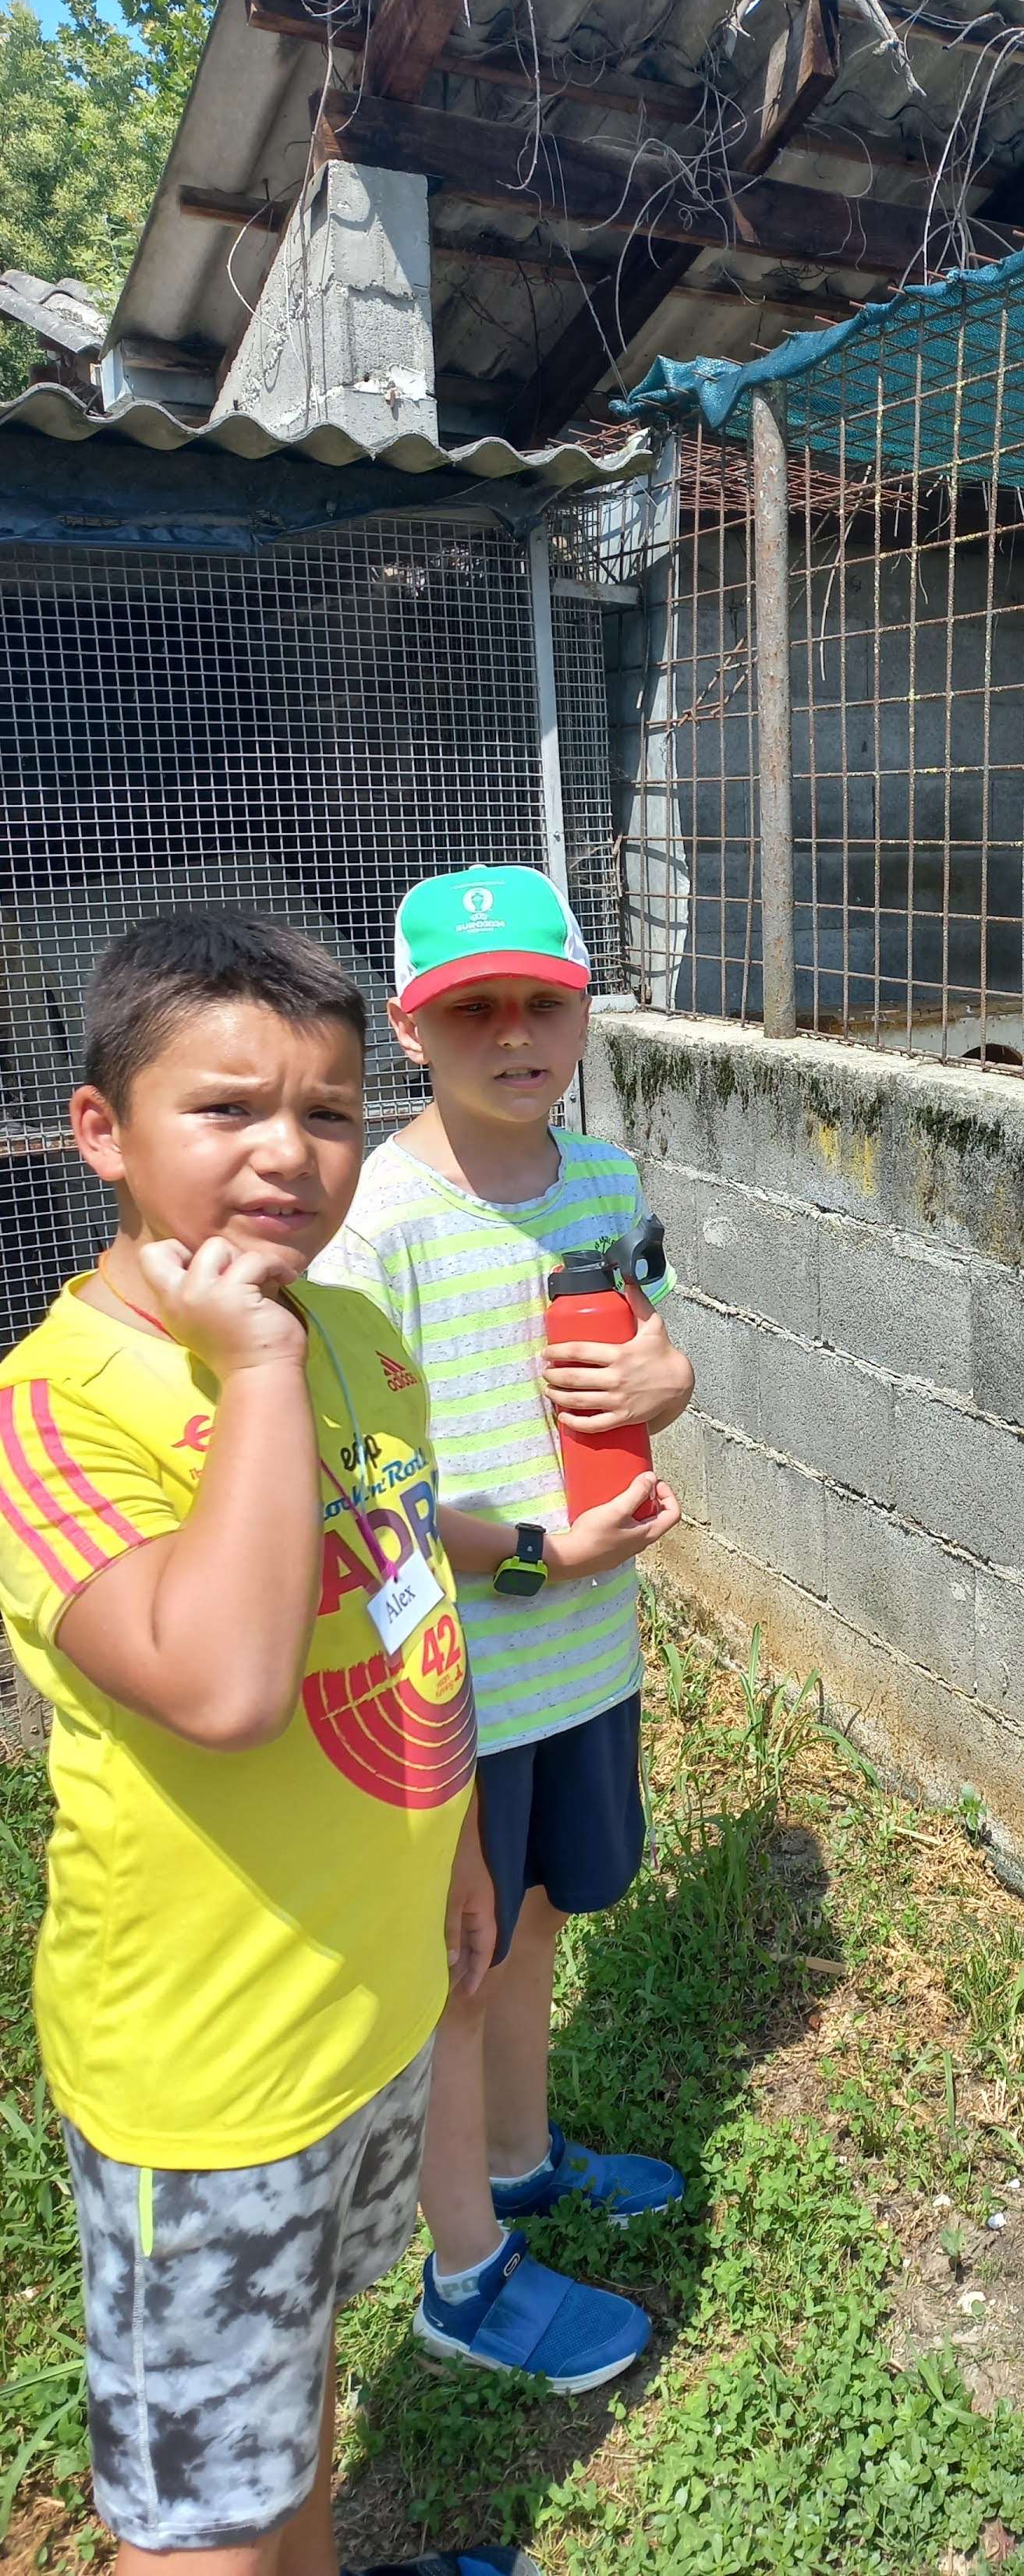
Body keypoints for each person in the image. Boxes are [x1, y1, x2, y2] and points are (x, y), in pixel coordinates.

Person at [0, 909, 524, 2576]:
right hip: (211, 2076)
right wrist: (252, 1369)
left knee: (294, 2395)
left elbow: (408, 1613)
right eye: (226, 1109)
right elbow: (223, 1688)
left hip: (364, 2004)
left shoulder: (352, 1338)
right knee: (199, 2532)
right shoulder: (59, 1404)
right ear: (104, 1131)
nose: (288, 1153)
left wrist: (455, 1840)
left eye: (327, 1110)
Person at [312, 868, 693, 2395]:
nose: (515, 1034)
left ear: (585, 1011)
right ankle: (462, 2276)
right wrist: (541, 1556)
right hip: (453, 1681)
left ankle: (523, 2162)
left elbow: (650, 1348)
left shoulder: (602, 1180)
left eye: (543, 1001)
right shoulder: (372, 1228)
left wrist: (669, 1383)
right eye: (473, 1010)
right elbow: (368, 1498)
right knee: (455, 1966)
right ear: (410, 1032)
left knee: (532, 1920)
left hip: (584, 1658)